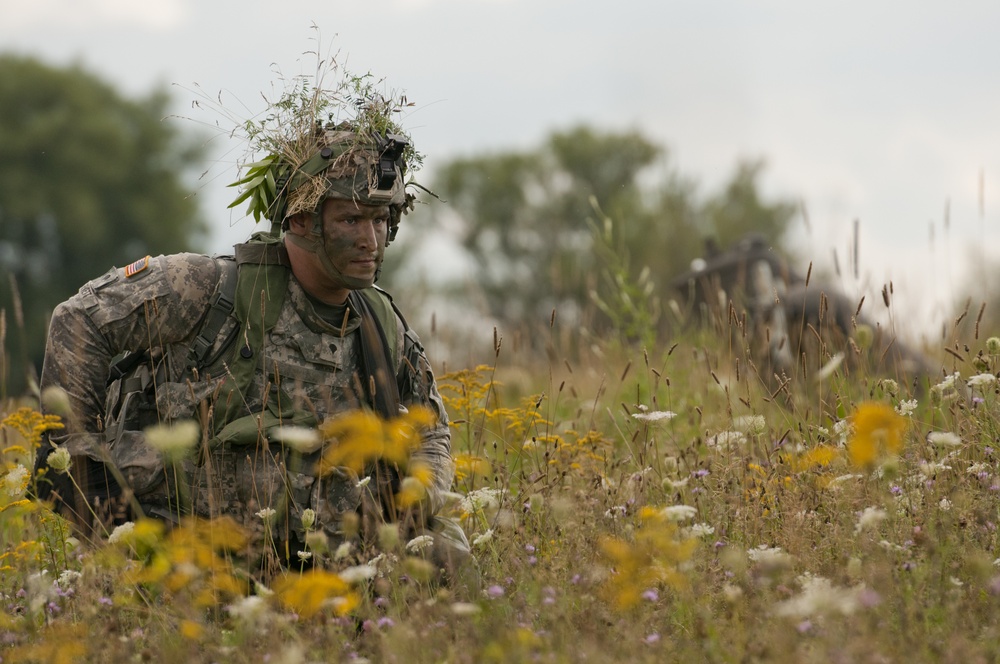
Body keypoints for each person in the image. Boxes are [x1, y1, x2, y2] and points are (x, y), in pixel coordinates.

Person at [32, 114, 474, 585]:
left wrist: (412, 499)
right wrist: (75, 457)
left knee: (449, 560)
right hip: (181, 566)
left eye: (381, 220)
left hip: (318, 576)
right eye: (351, 219)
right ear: (302, 220)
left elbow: (432, 432)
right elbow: (78, 319)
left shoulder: (381, 328)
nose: (371, 240)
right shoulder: (206, 288)